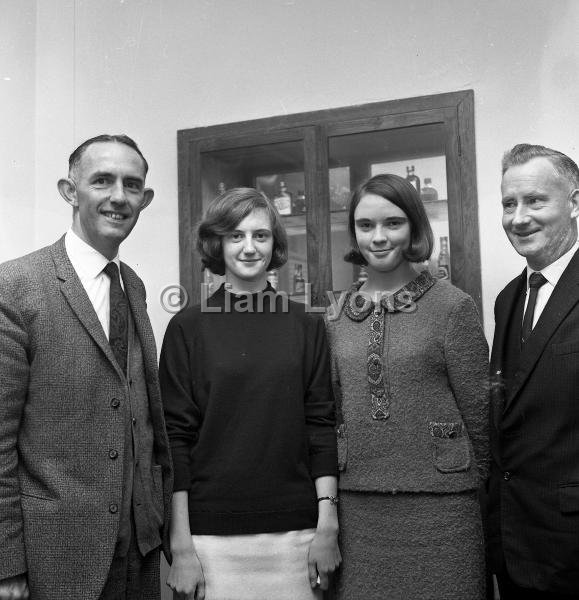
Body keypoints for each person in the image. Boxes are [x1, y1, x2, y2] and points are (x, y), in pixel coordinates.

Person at [0, 134, 172, 600]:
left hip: (141, 551)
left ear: (145, 199)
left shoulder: (131, 285)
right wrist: (6, 565)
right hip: (56, 558)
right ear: (69, 191)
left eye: (132, 185)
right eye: (102, 181)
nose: (119, 196)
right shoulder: (16, 287)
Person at [159, 187, 340, 600]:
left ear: (275, 243)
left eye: (260, 235)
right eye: (235, 236)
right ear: (217, 243)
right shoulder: (188, 327)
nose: (248, 247)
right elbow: (175, 441)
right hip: (209, 536)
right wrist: (181, 544)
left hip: (297, 533)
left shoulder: (306, 325)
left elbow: (321, 425)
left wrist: (327, 525)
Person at [325, 173, 489, 599]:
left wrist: (483, 499)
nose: (378, 237)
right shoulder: (336, 313)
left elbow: (480, 418)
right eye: (365, 226)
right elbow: (331, 412)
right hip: (358, 506)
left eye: (393, 223)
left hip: (444, 508)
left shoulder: (453, 306)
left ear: (415, 227)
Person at [487, 144, 579, 598]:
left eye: (535, 201)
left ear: (575, 202)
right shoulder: (508, 299)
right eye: (509, 204)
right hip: (516, 547)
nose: (518, 218)